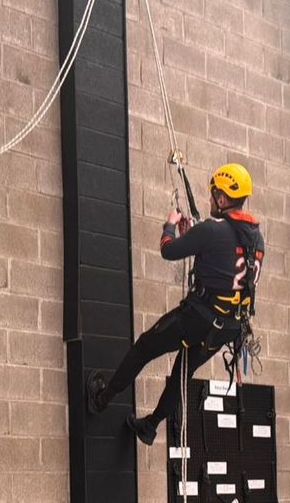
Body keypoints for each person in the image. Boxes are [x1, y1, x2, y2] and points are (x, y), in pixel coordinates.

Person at [86, 162, 265, 444]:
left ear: (222, 199)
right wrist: (193, 237)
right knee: (183, 371)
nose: (209, 200)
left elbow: (168, 250)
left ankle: (102, 398)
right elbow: (224, 265)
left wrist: (169, 225)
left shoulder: (212, 230)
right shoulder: (256, 238)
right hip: (228, 326)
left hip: (200, 317)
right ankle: (150, 425)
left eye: (212, 195)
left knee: (145, 346)